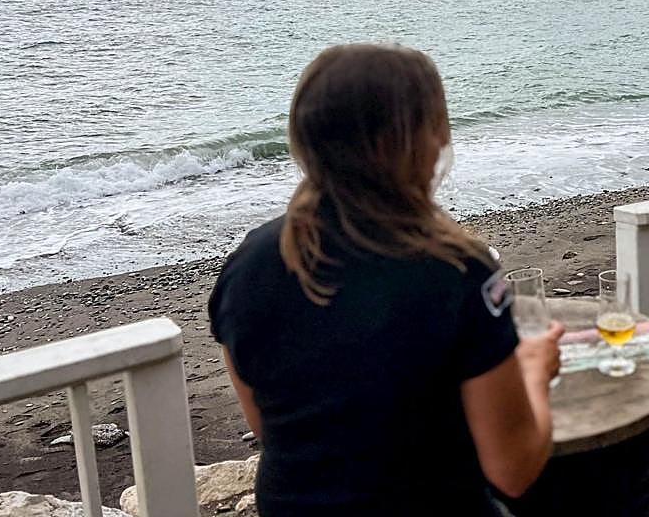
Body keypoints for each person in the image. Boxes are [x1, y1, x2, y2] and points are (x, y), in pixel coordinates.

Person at [209, 44, 562, 516]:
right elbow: (512, 469)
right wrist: (535, 371)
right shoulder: (458, 271)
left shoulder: (248, 265)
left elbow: (268, 427)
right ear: (417, 142)